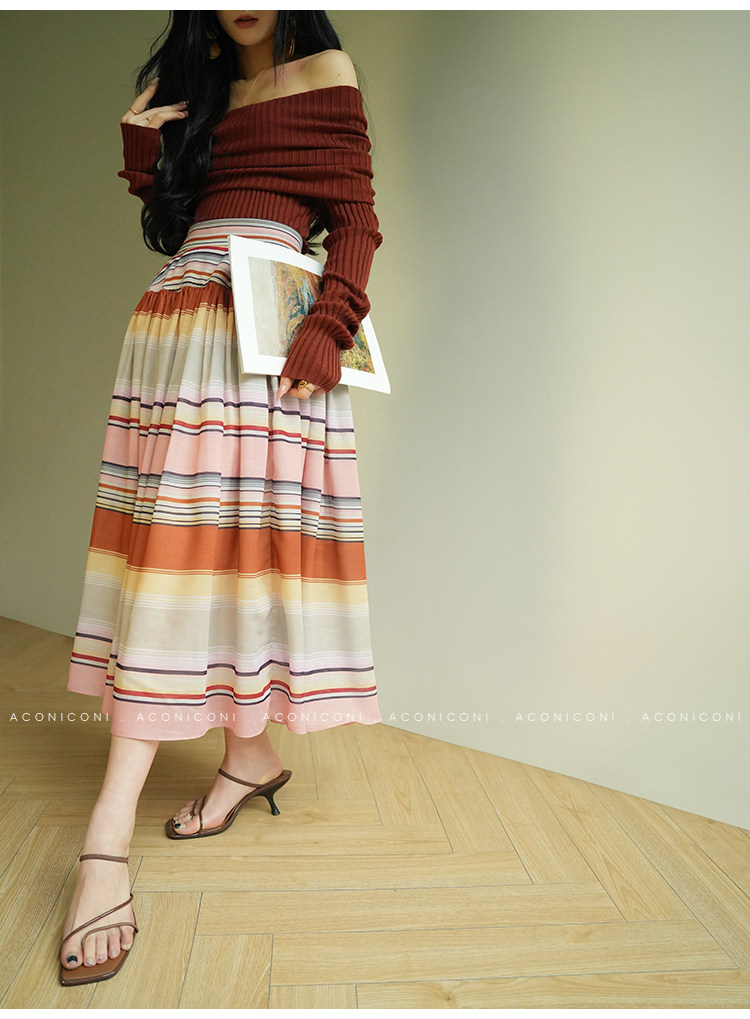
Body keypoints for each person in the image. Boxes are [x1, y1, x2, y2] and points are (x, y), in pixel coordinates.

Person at [59, 10, 382, 985]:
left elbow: (357, 220)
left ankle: (105, 837)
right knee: (207, 556)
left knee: (180, 566)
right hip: (175, 323)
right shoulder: (199, 89)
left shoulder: (324, 69)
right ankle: (249, 756)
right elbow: (174, 219)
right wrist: (143, 146)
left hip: (260, 337)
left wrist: (329, 325)